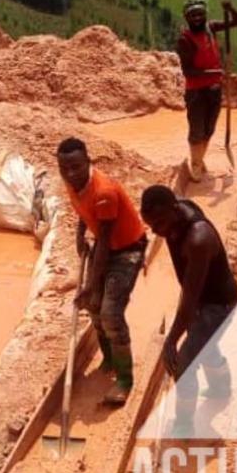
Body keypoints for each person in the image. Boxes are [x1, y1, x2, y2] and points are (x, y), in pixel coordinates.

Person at [140, 185, 237, 436]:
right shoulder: (178, 210)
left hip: (218, 305)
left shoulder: (198, 239)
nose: (156, 231)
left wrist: (171, 340)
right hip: (205, 300)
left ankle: (184, 424)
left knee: (184, 364)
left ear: (174, 209)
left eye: (159, 223)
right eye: (151, 225)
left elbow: (191, 300)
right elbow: (191, 298)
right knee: (206, 345)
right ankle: (221, 389)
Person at [57, 137, 148, 405]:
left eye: (76, 167)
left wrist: (92, 284)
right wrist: (79, 233)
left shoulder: (104, 193)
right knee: (91, 305)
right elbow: (82, 212)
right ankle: (108, 356)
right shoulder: (72, 184)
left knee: (110, 313)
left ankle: (124, 378)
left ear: (88, 162)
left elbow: (107, 244)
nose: (71, 174)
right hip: (105, 244)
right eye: (65, 169)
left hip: (127, 249)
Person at [177, 0, 237, 182]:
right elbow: (188, 71)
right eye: (193, 16)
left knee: (209, 129)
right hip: (196, 91)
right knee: (197, 129)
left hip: (214, 88)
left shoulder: (211, 28)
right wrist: (217, 70)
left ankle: (198, 159)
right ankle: (196, 164)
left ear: (205, 14)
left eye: (200, 14)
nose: (197, 18)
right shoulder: (185, 40)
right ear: (187, 18)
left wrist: (230, 8)